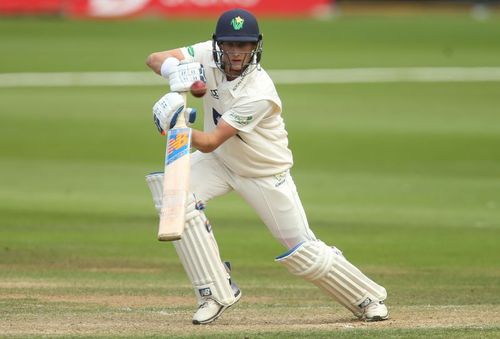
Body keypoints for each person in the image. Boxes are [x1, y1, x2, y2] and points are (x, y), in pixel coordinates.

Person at [145, 8, 389, 325]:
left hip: (263, 173)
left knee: (304, 252)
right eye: (230, 45)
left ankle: (367, 296)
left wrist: (176, 129)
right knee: (173, 194)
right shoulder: (206, 53)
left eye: (244, 45)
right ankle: (216, 291)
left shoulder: (259, 92)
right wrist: (177, 72)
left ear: (255, 46)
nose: (236, 53)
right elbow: (155, 57)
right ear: (218, 44)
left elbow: (209, 141)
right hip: (220, 163)